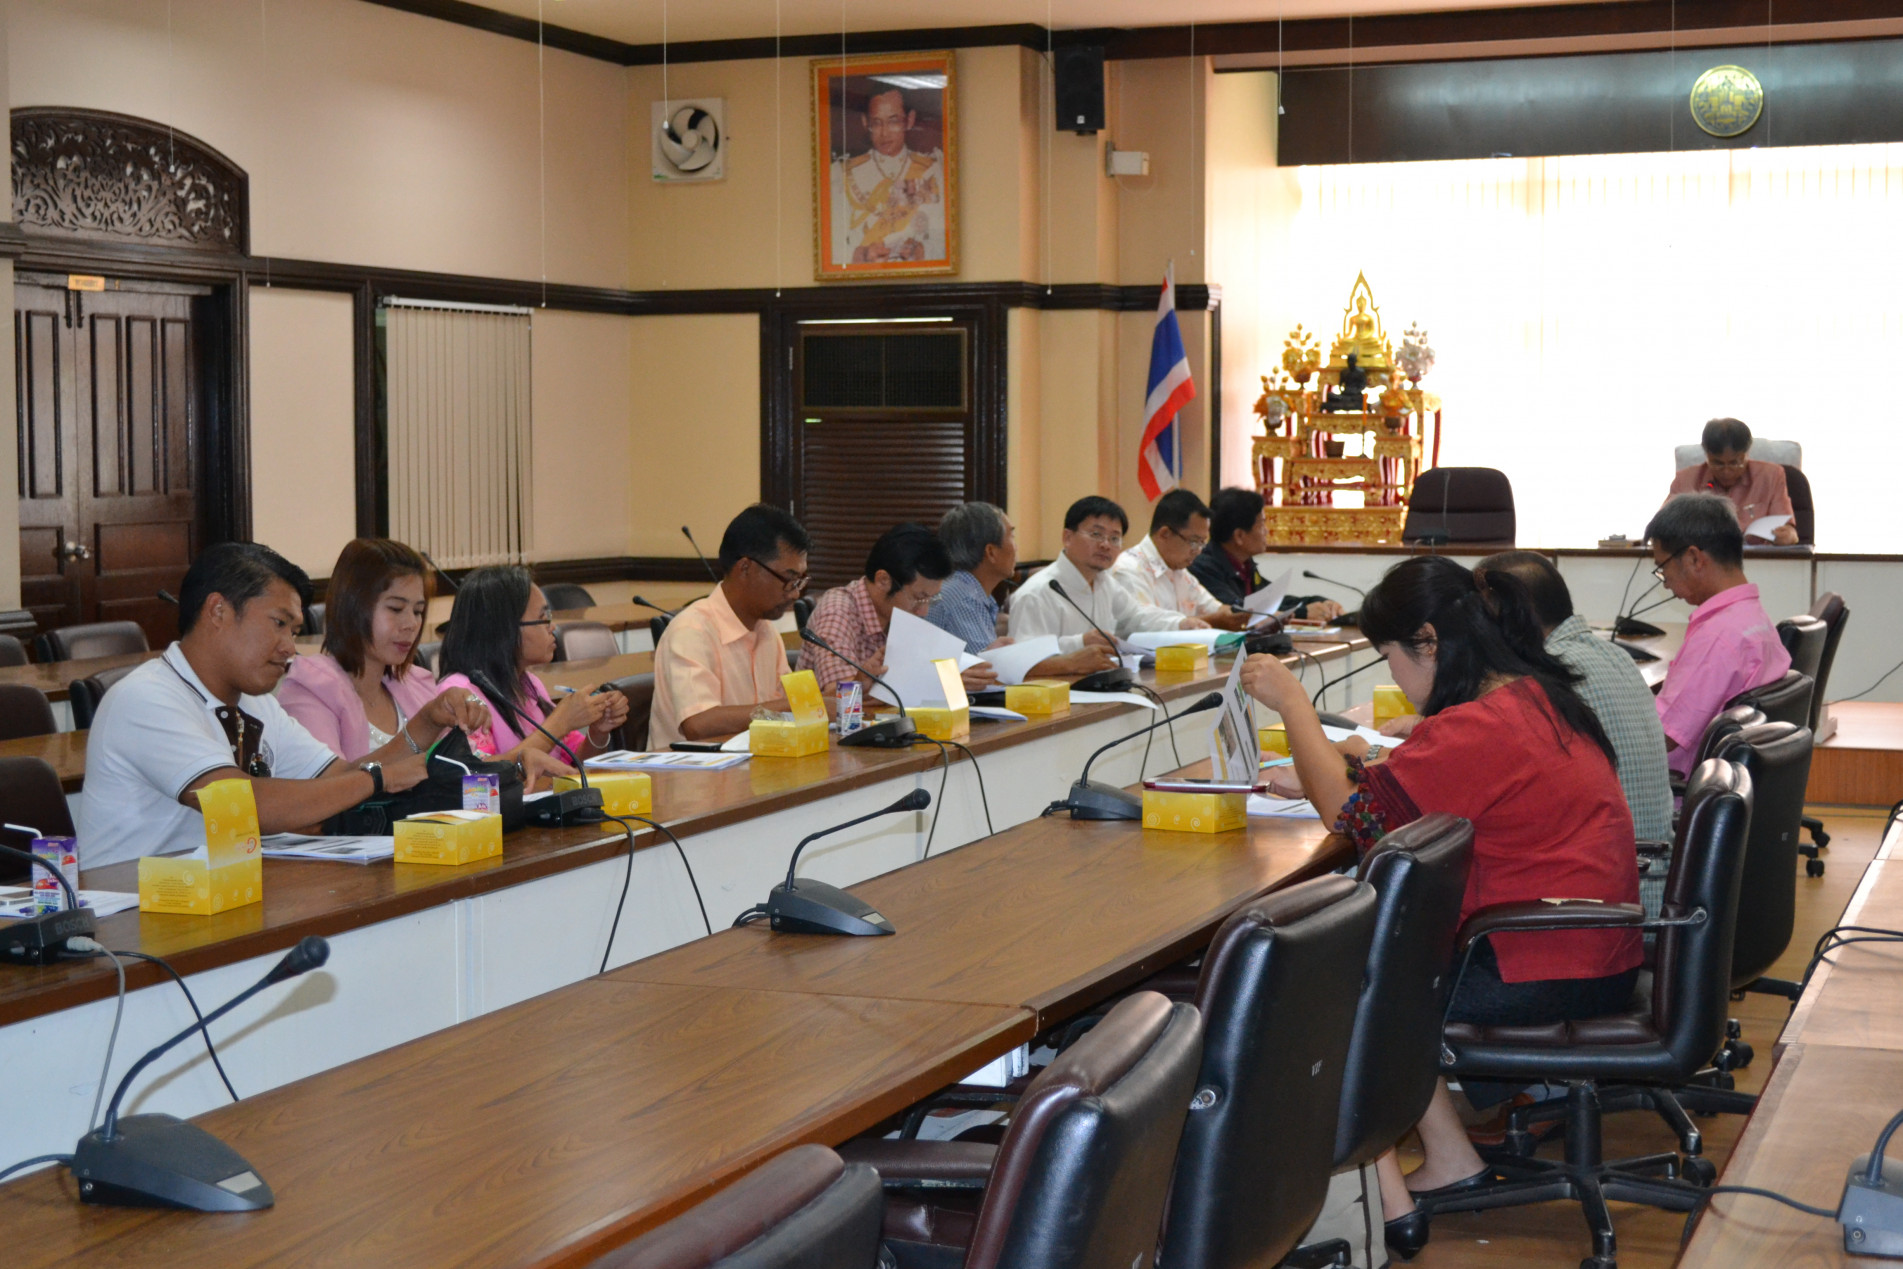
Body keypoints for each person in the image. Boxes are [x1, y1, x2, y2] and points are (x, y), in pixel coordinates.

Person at [1238, 555, 1642, 1260]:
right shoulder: (1532, 695)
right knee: (1385, 958)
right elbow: (1410, 792)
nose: (1393, 675)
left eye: (1390, 656)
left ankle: (1385, 1203)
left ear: (1427, 642)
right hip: (1587, 947)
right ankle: (1451, 1159)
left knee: (1329, 982)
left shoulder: (1483, 725)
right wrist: (1341, 767)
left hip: (1538, 961)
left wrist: (1294, 706)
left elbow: (1351, 818)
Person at [79, 542, 478, 868]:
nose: (289, 647)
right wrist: (377, 779)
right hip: (135, 912)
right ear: (218, 611)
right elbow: (242, 805)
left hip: (219, 895)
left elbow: (339, 777)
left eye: (295, 630)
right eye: (279, 623)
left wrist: (426, 723)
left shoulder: (255, 703)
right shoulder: (146, 699)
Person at [278, 539, 573, 789]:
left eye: (418, 611)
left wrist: (517, 762)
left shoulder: (414, 685)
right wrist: (424, 725)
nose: (410, 624)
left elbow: (461, 769)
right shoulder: (311, 688)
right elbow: (326, 794)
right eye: (396, 609)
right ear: (352, 606)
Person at [650, 504, 821, 747]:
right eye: (789, 579)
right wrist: (793, 706)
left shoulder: (767, 633)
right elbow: (698, 724)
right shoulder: (691, 631)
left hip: (753, 763)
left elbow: (782, 711)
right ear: (745, 568)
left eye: (800, 581)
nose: (795, 594)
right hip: (691, 769)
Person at [1647, 492, 1792, 776]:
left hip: (1677, 786)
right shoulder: (1753, 618)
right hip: (1729, 780)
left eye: (1662, 567)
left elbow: (1661, 735)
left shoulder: (1717, 638)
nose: (1665, 584)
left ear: (1694, 558)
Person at [436, 567, 629, 767]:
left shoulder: (529, 684)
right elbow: (476, 774)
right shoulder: (459, 693)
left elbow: (574, 765)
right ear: (505, 628)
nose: (552, 627)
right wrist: (560, 723)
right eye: (543, 617)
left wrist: (597, 732)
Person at [800, 523, 999, 696]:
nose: (924, 611)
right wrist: (941, 682)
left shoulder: (899, 614)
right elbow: (836, 695)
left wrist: (979, 661)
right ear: (883, 580)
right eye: (919, 598)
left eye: (931, 599)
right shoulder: (838, 611)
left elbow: (922, 672)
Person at [927, 502, 1115, 678]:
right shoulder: (962, 597)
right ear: (991, 552)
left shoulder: (967, 590)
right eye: (1011, 536)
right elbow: (988, 674)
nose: (1016, 547)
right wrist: (1071, 663)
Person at [1009, 496, 1205, 649]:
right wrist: (1079, 643)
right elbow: (1025, 654)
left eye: (1114, 538)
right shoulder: (1035, 594)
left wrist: (1180, 623)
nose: (1105, 545)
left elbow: (1136, 616)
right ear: (1067, 537)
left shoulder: (1104, 582)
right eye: (1096, 534)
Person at [829, 86, 946, 266]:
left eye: (893, 121)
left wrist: (923, 251)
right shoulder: (843, 173)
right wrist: (861, 255)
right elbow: (830, 248)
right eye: (876, 123)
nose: (884, 133)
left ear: (909, 120)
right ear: (865, 123)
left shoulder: (933, 171)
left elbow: (947, 242)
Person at [1188, 487, 1344, 621]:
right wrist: (1303, 613)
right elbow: (1238, 610)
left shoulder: (1245, 565)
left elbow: (1273, 601)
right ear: (1239, 536)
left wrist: (1319, 602)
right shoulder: (1203, 568)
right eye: (1261, 524)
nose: (1266, 531)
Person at [1111, 489, 1256, 631]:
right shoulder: (1128, 570)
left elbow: (1214, 609)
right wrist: (1212, 621)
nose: (1198, 551)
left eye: (1202, 542)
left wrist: (1241, 615)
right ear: (1164, 534)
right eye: (1194, 542)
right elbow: (1143, 625)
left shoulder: (1180, 571)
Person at [1665, 417, 1799, 544]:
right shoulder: (1685, 480)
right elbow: (1663, 528)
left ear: (1747, 454)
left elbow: (1788, 529)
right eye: (1718, 463)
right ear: (1707, 456)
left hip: (1755, 557)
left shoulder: (1771, 477)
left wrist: (1789, 535)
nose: (1726, 471)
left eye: (1735, 463)